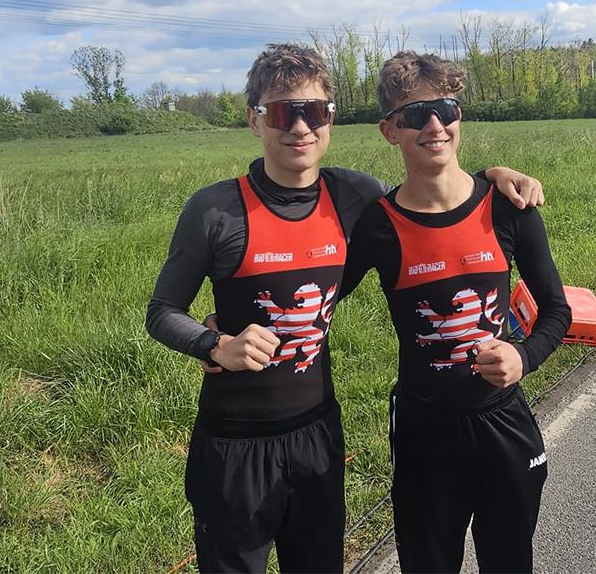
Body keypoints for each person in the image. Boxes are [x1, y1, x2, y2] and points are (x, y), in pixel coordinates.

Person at [145, 43, 544, 574]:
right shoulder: (215, 208)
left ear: (331, 118)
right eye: (285, 112)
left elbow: (433, 194)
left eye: (315, 111)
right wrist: (214, 343)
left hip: (318, 436)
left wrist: (497, 175)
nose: (301, 128)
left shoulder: (355, 197)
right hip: (233, 442)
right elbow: (162, 311)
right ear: (254, 120)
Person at [341, 51, 572, 573]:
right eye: (414, 115)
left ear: (459, 115)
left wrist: (523, 357)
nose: (434, 124)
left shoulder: (508, 205)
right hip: (425, 430)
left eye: (445, 108)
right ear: (389, 130)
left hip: (503, 423)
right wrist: (224, 330)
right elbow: (317, 301)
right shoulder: (377, 226)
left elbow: (555, 309)